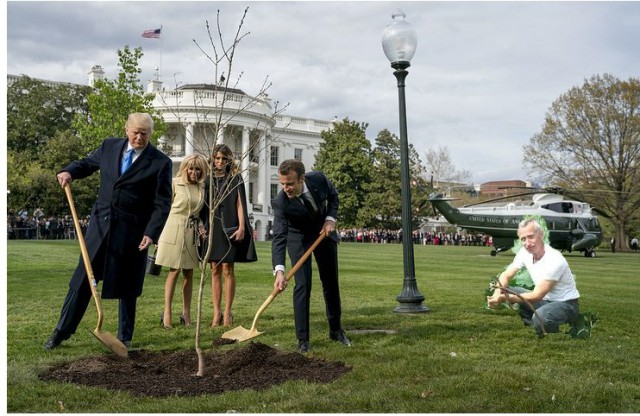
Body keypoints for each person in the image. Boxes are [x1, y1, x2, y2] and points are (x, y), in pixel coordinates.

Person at [44, 113, 173, 351]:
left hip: (132, 233)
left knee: (128, 285)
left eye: (144, 133)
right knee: (83, 280)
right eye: (135, 132)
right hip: (100, 227)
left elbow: (162, 203)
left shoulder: (160, 162)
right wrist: (69, 171)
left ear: (150, 134)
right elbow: (87, 163)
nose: (139, 137)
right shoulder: (109, 146)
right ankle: (61, 331)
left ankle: (125, 337)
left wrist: (151, 233)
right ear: (126, 130)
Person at [271, 159, 350, 353]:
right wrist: (279, 271)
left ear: (302, 179)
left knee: (330, 282)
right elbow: (279, 237)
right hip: (298, 238)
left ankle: (336, 330)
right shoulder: (280, 202)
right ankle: (303, 340)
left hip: (324, 233)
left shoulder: (319, 179)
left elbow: (333, 196)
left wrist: (330, 219)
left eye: (289, 183)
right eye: (282, 184)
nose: (285, 188)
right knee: (303, 285)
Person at [487, 218, 580, 338]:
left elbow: (537, 295)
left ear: (541, 234)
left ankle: (554, 331)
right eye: (523, 239)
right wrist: (497, 293)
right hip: (545, 301)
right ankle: (530, 324)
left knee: (539, 317)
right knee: (506, 288)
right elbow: (506, 275)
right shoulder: (524, 252)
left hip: (566, 304)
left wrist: (504, 298)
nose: (527, 243)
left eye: (530, 237)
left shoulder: (555, 259)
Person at [201, 144, 257, 328]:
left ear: (228, 160)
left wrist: (242, 227)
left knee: (227, 268)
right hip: (213, 226)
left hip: (230, 225)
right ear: (212, 159)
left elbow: (241, 204)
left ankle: (227, 312)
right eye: (217, 158)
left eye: (223, 158)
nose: (219, 162)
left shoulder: (235, 178)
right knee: (214, 269)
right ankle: (216, 312)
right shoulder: (207, 180)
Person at [155, 154, 209, 328]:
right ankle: (167, 312)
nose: (194, 172)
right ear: (185, 168)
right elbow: (163, 208)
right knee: (174, 270)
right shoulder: (174, 183)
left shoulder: (202, 188)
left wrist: (201, 225)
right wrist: (156, 233)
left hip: (191, 232)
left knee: (189, 272)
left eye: (198, 169)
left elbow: (197, 212)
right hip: (173, 229)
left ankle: (186, 313)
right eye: (191, 168)